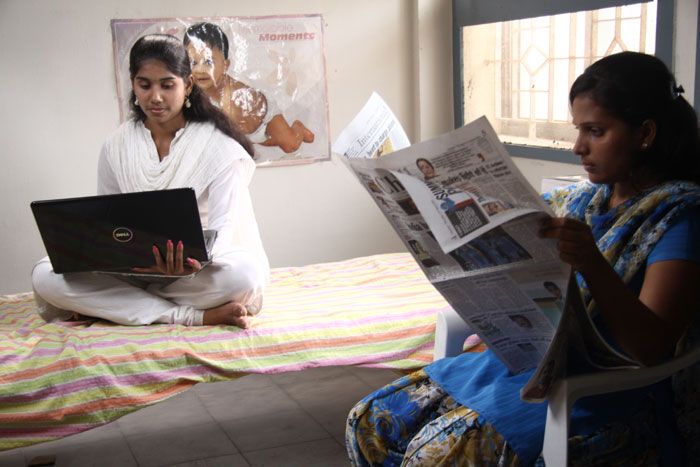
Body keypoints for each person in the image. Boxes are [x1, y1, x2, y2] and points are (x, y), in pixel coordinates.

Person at [346, 51, 700, 466]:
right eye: (578, 129)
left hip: (608, 393)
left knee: (436, 455)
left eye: (595, 131)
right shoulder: (585, 200)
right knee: (368, 421)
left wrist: (591, 263)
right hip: (529, 365)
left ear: (645, 133)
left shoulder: (681, 216)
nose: (577, 146)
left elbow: (653, 347)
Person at [31, 34, 270, 328]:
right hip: (132, 269)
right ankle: (191, 316)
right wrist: (119, 258)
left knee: (244, 275)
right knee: (44, 275)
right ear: (133, 85)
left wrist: (182, 268)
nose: (155, 97)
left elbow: (223, 232)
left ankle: (117, 305)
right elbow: (109, 224)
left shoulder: (220, 148)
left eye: (167, 85)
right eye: (145, 85)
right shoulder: (115, 146)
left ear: (188, 85)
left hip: (193, 274)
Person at [183, 22, 315, 154]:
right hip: (243, 132)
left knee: (290, 145)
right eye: (193, 62)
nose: (199, 69)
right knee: (260, 141)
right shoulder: (190, 87)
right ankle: (263, 139)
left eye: (208, 62)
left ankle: (298, 128)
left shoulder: (233, 101)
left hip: (263, 120)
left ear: (225, 65)